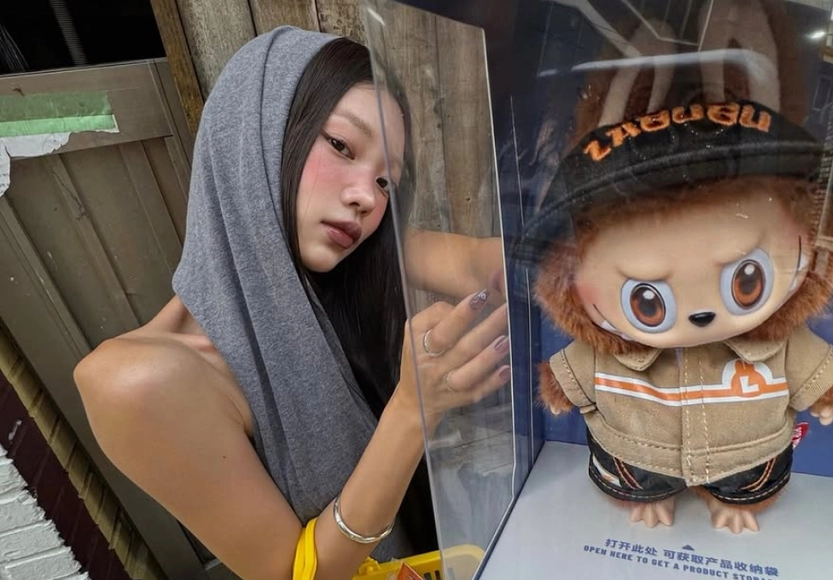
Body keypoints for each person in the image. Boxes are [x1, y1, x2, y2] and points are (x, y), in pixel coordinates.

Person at [72, 27, 509, 580]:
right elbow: (296, 575)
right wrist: (411, 410)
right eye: (342, 146)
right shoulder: (135, 383)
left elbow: (475, 263)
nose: (367, 197)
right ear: (252, 135)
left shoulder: (331, 272)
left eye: (386, 182)